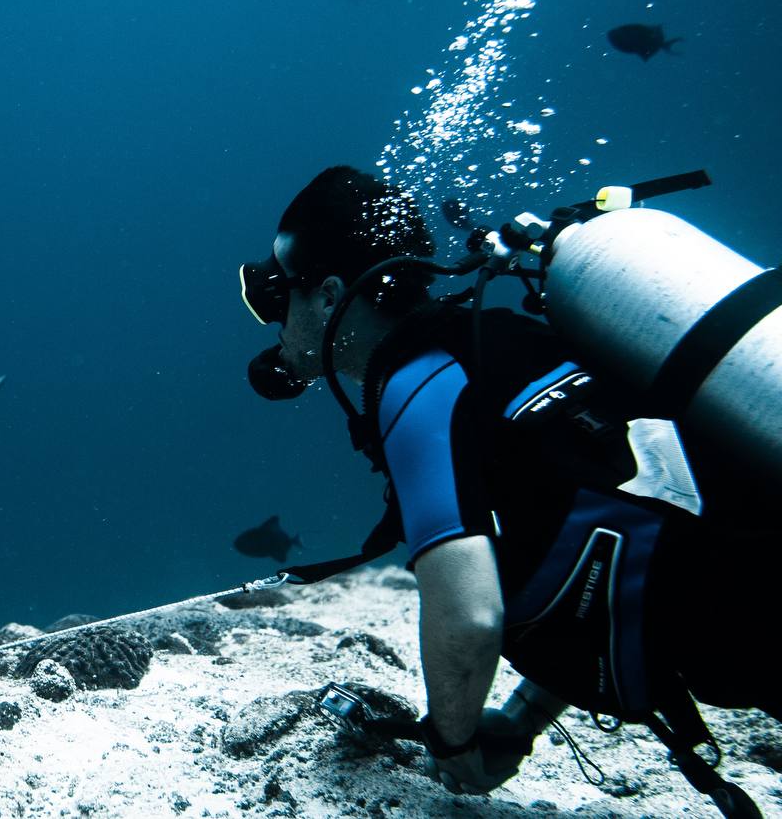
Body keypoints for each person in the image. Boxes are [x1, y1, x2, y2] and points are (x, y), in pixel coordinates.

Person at [238, 166, 780, 806]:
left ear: (329, 297)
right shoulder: (510, 346)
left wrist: (455, 747)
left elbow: (469, 615)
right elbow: (611, 522)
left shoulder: (417, 391)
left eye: (281, 296)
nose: (275, 322)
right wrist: (521, 719)